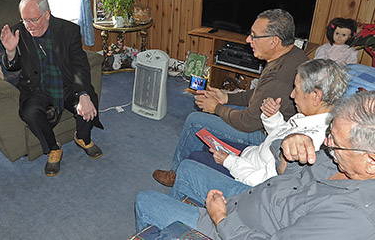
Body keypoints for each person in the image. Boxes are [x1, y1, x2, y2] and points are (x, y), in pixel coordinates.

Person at [135, 90, 375, 238]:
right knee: (187, 170)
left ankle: (193, 230)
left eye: (334, 141)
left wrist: (222, 220)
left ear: (371, 162)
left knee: (146, 200)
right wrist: (289, 147)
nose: (326, 142)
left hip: (234, 226)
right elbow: (288, 174)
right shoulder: (343, 161)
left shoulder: (351, 217)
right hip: (255, 196)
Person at [154, 59, 348, 212]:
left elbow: (266, 183)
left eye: (296, 89)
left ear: (316, 96)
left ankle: (191, 218)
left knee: (191, 163)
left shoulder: (308, 146)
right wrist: (273, 117)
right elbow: (279, 138)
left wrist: (229, 161)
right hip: (252, 157)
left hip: (252, 187)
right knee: (205, 144)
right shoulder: (312, 117)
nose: (291, 94)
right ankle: (196, 195)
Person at [152, 9, 309, 187]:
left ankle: (177, 173)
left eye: (254, 36)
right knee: (216, 114)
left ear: (274, 41)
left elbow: (248, 123)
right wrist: (227, 98)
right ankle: (196, 164)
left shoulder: (280, 76)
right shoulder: (290, 54)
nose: (248, 40)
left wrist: (216, 108)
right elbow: (259, 95)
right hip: (266, 121)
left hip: (264, 135)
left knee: (195, 120)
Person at [0, 0, 104, 176]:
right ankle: (53, 148)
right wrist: (10, 51)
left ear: (47, 14)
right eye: (25, 20)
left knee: (90, 101)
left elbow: (79, 64)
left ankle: (81, 138)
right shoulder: (19, 32)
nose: (28, 26)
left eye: (33, 20)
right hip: (37, 88)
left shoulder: (68, 30)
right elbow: (13, 66)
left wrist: (83, 95)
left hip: (66, 85)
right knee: (29, 112)